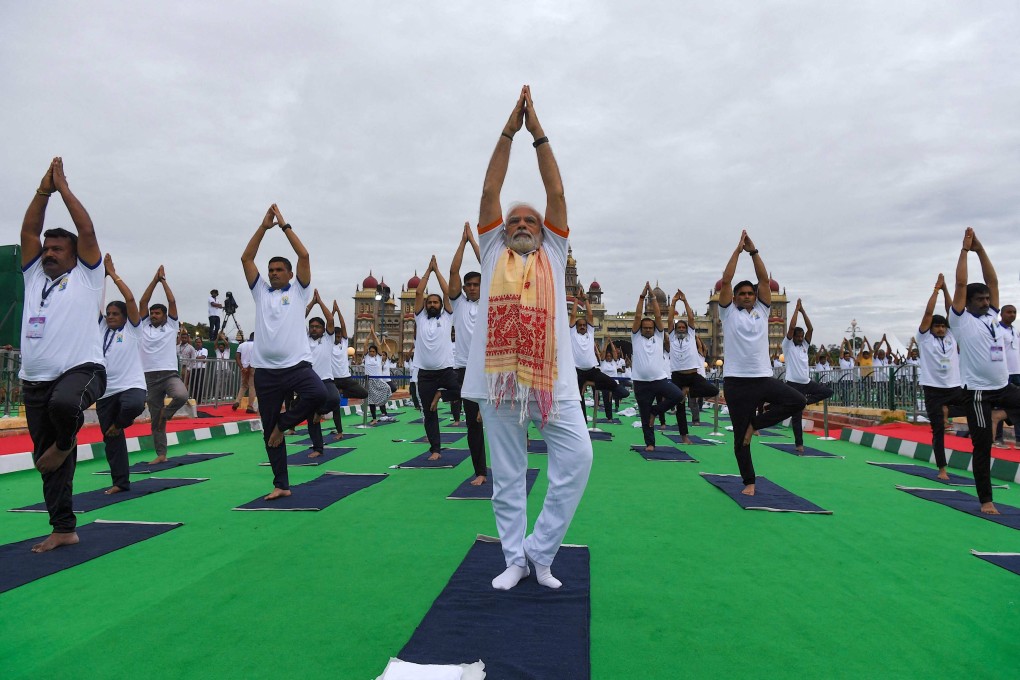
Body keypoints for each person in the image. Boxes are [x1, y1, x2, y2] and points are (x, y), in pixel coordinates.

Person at [462, 86, 593, 590]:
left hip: (551, 383)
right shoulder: (493, 252)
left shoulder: (553, 258)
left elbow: (556, 195)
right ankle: (514, 559)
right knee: (509, 476)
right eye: (514, 220)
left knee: (578, 458)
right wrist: (505, 132)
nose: (520, 224)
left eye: (529, 221)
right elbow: (488, 191)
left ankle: (542, 551)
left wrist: (537, 132)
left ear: (544, 232)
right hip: (499, 383)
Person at [19, 157, 108, 553]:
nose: (49, 252)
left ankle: (67, 441)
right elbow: (28, 230)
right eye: (47, 248)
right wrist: (42, 191)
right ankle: (63, 528)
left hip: (82, 371)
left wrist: (63, 189)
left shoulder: (89, 277)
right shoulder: (35, 275)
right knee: (47, 463)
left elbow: (86, 229)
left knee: (66, 403)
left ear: (74, 253)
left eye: (58, 248)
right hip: (33, 381)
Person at [241, 203, 328, 500]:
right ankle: (282, 484)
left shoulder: (299, 291)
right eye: (271, 270)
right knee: (269, 432)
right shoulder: (260, 291)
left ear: (290, 273)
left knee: (320, 395)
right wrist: (263, 227)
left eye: (280, 269)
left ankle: (285, 423)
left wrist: (283, 225)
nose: (274, 273)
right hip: (266, 371)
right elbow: (246, 257)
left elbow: (304, 255)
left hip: (297, 367)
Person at [718, 231, 806, 496]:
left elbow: (763, 280)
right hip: (735, 381)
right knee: (739, 441)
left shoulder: (763, 310)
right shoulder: (728, 313)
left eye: (749, 293)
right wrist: (737, 251)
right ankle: (749, 482)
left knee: (797, 401)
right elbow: (726, 280)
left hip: (762, 378)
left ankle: (754, 425)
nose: (746, 296)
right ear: (734, 298)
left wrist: (754, 252)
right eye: (741, 294)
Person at [951, 228, 1020, 514]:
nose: (985, 302)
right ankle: (986, 500)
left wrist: (980, 249)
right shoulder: (960, 320)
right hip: (978, 393)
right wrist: (965, 251)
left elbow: (992, 279)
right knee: (983, 445)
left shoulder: (993, 315)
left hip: (1003, 387)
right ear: (967, 302)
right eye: (979, 299)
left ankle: (1001, 415)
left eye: (986, 299)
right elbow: (960, 282)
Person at [97, 255, 147, 494]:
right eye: (108, 313)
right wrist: (102, 277)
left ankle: (120, 423)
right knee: (111, 440)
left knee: (134, 404)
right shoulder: (101, 329)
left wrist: (113, 274)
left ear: (125, 317)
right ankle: (120, 482)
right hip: (105, 391)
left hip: (131, 386)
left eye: (115, 313)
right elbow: (96, 301)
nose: (110, 316)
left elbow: (129, 299)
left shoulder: (133, 330)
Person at [448, 221, 488, 485]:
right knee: (473, 423)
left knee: (500, 421)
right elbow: (453, 270)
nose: (472, 287)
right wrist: (462, 243)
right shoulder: (458, 303)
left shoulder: (489, 299)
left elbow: (489, 264)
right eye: (469, 285)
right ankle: (481, 472)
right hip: (465, 369)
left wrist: (475, 242)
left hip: (491, 368)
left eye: (476, 284)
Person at [138, 266, 190, 465]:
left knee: (181, 395)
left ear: (165, 316)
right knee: (154, 419)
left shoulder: (171, 326)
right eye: (152, 313)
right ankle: (161, 454)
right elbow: (143, 301)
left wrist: (164, 281)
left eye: (158, 313)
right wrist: (154, 279)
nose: (154, 315)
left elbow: (172, 301)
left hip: (169, 375)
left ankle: (165, 415)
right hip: (150, 377)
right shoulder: (143, 326)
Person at [916, 273, 965, 480]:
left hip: (954, 387)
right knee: (938, 431)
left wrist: (946, 290)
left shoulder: (952, 335)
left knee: (975, 405)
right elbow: (929, 312)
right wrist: (936, 290)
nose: (941, 328)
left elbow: (951, 311)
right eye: (937, 326)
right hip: (934, 389)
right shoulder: (924, 338)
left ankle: (948, 411)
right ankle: (942, 469)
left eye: (943, 326)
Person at [414, 255, 462, 461]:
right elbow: (417, 292)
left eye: (436, 302)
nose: (433, 304)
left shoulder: (447, 316)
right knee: (429, 413)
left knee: (461, 392)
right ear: (425, 305)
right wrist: (428, 271)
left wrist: (438, 271)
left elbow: (448, 291)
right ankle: (435, 449)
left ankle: (440, 395)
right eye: (430, 302)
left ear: (441, 305)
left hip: (445, 371)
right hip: (425, 374)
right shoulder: (420, 318)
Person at [630, 283, 684, 451]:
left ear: (654, 329)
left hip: (659, 380)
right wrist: (641, 297)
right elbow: (638, 316)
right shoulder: (636, 338)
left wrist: (653, 297)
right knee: (645, 415)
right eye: (645, 328)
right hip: (641, 382)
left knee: (678, 395)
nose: (647, 330)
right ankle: (650, 443)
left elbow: (659, 317)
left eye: (650, 328)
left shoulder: (659, 336)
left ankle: (656, 411)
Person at [667, 289, 719, 443]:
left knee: (713, 390)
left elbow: (690, 317)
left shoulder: (690, 336)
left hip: (692, 376)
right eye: (679, 328)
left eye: (683, 328)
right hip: (677, 376)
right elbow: (670, 320)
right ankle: (684, 436)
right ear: (675, 330)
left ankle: (688, 390)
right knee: (680, 408)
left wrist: (685, 301)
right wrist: (673, 302)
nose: (682, 329)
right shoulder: (672, 337)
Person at [781, 299, 833, 452]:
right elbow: (791, 327)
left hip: (806, 382)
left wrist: (803, 311)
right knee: (797, 417)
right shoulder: (788, 345)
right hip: (793, 384)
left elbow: (811, 328)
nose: (800, 338)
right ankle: (799, 445)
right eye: (798, 336)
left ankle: (804, 401)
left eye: (801, 336)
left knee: (827, 392)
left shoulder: (805, 345)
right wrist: (796, 310)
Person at [572, 294, 630, 426]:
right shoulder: (573, 334)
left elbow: (590, 316)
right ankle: (582, 424)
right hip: (578, 372)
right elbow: (574, 316)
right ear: (576, 327)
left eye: (584, 325)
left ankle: (596, 385)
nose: (582, 326)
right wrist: (576, 300)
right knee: (578, 398)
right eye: (580, 325)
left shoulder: (590, 333)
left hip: (592, 370)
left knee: (615, 386)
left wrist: (586, 300)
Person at [303, 289, 341, 457]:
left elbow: (331, 319)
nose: (314, 329)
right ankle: (318, 448)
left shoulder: (328, 339)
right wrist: (311, 303)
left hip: (326, 380)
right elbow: (298, 317)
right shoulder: (303, 339)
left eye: (317, 327)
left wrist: (320, 302)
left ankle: (320, 412)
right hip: (308, 382)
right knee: (310, 418)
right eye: (312, 326)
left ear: (323, 329)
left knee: (334, 399)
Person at [328, 300, 368, 436]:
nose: (338, 338)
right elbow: (329, 325)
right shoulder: (328, 344)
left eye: (339, 336)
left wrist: (338, 311)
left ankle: (342, 393)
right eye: (336, 336)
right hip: (333, 380)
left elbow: (343, 325)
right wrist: (331, 314)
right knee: (335, 408)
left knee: (363, 393)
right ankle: (339, 431)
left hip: (345, 379)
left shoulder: (344, 343)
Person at [993, 304, 1020, 447]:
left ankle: (1019, 440)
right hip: (1004, 374)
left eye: (1014, 312)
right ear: (1001, 314)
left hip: (1017, 373)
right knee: (999, 406)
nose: (1012, 314)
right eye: (1009, 312)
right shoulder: (997, 330)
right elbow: (995, 352)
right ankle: (997, 439)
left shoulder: (1015, 331)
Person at [362, 328, 392, 424]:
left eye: (373, 351)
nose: (371, 353)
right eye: (370, 351)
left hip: (378, 381)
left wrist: (374, 335)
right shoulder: (366, 357)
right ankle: (374, 418)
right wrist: (369, 334)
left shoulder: (379, 358)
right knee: (370, 401)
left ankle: (382, 406)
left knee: (388, 389)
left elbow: (379, 345)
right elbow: (365, 345)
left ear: (376, 353)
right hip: (369, 382)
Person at [232, 332, 258, 413]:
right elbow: (255, 357)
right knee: (252, 386)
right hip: (252, 367)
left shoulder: (241, 345)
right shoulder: (256, 345)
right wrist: (248, 367)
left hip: (243, 367)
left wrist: (242, 367)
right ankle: (250, 407)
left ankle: (237, 401)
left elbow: (237, 357)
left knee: (243, 386)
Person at [189, 337, 208, 404]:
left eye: (199, 342)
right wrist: (198, 358)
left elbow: (203, 357)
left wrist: (194, 358)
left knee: (200, 385)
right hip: (193, 369)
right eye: (197, 342)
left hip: (201, 369)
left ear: (202, 343)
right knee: (192, 385)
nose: (198, 343)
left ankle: (199, 401)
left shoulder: (204, 350)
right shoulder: (193, 350)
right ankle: (193, 399)